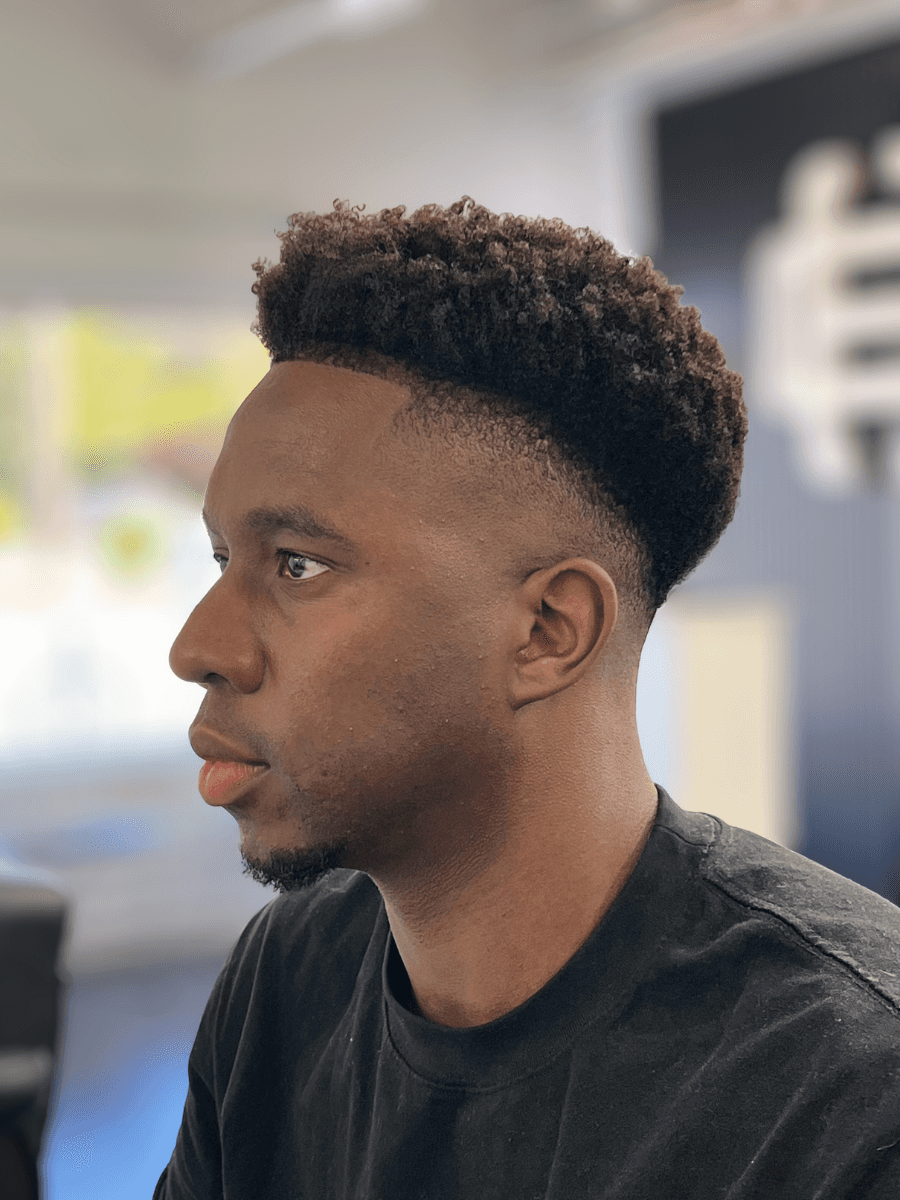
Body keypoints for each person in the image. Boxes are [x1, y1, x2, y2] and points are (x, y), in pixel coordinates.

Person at [157, 199, 900, 1199]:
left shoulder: (850, 1094)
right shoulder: (288, 978)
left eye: (297, 565)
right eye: (221, 557)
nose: (197, 647)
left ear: (549, 632)